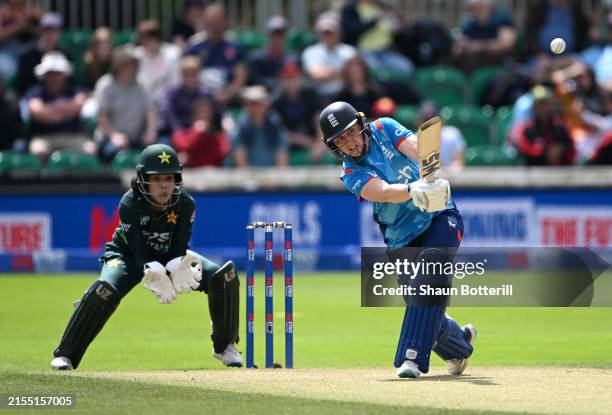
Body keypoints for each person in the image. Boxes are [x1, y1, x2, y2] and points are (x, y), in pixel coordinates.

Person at [318, 101, 476, 378]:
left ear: (362, 124)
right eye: (341, 140)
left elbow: (417, 150)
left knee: (432, 266)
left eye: (352, 132)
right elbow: (383, 192)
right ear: (334, 147)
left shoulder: (385, 127)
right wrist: (412, 188)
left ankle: (410, 359)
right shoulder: (350, 173)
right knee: (424, 304)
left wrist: (429, 170)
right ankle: (459, 343)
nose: (350, 142)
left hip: (439, 216)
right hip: (400, 238)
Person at [51, 144, 242, 370]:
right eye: (156, 178)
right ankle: (66, 355)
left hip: (170, 255)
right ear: (143, 179)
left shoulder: (186, 203)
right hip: (127, 256)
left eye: (169, 178)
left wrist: (176, 266)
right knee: (104, 290)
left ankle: (225, 346)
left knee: (223, 276)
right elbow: (138, 249)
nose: (163, 185)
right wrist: (152, 269)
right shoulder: (130, 202)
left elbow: (180, 245)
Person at [232, 85, 288, 167]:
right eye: (251, 103)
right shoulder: (241, 126)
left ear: (266, 104)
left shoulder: (275, 124)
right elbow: (240, 159)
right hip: (248, 177)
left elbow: (281, 157)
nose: (255, 107)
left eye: (258, 103)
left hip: (273, 176)